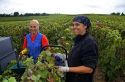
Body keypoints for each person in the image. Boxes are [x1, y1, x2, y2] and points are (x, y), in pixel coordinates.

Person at [59, 16, 98, 82]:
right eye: (73, 25)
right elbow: (79, 55)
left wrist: (67, 69)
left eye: (77, 24)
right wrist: (66, 57)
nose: (74, 27)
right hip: (72, 78)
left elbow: (89, 68)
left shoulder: (89, 43)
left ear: (85, 26)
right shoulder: (79, 39)